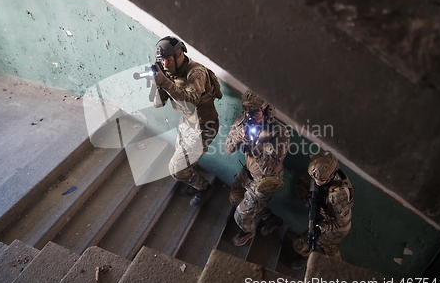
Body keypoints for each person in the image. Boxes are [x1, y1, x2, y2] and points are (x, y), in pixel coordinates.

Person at [152, 36, 221, 206]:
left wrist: (166, 83)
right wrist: (156, 84)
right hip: (187, 123)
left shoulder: (196, 73)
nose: (165, 64)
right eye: (162, 60)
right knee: (183, 159)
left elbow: (191, 102)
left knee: (176, 170)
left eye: (168, 59)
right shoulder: (167, 71)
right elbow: (157, 104)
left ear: (180, 54)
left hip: (204, 127)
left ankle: (204, 188)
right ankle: (192, 175)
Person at [225, 90, 290, 246]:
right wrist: (237, 137)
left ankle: (247, 231)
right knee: (235, 197)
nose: (250, 117)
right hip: (249, 172)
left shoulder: (279, 133)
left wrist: (255, 145)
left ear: (267, 110)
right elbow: (228, 149)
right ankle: (270, 219)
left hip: (266, 180)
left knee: (240, 214)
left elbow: (269, 168)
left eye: (255, 113)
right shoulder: (243, 121)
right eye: (247, 111)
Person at [291, 150, 354, 269]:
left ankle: (335, 268)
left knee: (305, 243)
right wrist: (308, 197)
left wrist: (321, 228)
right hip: (324, 215)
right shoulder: (318, 171)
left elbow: (340, 224)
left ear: (330, 176)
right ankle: (309, 255)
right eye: (315, 179)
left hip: (336, 226)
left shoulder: (338, 195)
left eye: (321, 180)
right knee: (326, 244)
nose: (317, 182)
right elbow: (300, 185)